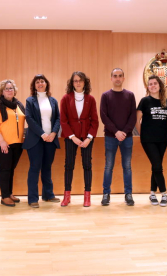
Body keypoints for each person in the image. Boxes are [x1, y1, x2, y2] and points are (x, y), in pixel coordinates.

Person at [60, 71, 99, 207]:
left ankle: (87, 196)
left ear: (85, 82)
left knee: (87, 165)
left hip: (87, 138)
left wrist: (89, 138)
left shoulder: (91, 99)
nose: (78, 83)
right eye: (75, 80)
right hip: (71, 138)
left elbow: (95, 121)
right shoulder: (65, 98)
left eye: (80, 80)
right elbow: (63, 121)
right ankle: (67, 196)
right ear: (72, 83)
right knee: (69, 165)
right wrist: (72, 137)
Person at [100, 68, 137, 206]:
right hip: (110, 136)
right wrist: (116, 132)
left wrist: (124, 132)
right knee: (108, 166)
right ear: (111, 78)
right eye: (115, 76)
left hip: (127, 137)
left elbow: (133, 116)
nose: (117, 78)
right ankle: (106, 194)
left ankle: (128, 194)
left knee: (127, 166)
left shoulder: (130, 95)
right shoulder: (105, 96)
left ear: (123, 78)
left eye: (120, 76)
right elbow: (104, 116)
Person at [23, 74, 61, 208]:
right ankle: (33, 198)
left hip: (51, 139)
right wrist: (42, 134)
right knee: (35, 167)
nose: (40, 84)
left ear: (46, 84)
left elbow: (57, 119)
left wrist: (53, 133)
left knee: (47, 167)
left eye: (42, 81)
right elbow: (29, 118)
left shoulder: (53, 100)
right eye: (37, 82)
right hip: (35, 139)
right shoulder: (30, 100)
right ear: (34, 86)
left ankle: (48, 195)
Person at [136, 75, 167, 207]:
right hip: (148, 140)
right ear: (148, 87)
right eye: (150, 84)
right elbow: (137, 120)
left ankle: (152, 193)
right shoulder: (145, 101)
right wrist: (143, 135)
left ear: (159, 85)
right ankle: (164, 193)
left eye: (155, 83)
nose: (152, 86)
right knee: (157, 166)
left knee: (156, 166)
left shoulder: (166, 102)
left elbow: (166, 120)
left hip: (162, 139)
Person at [0, 80, 25, 207]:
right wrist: (2, 142)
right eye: (6, 89)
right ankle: (4, 196)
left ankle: (9, 193)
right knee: (5, 169)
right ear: (2, 92)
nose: (9, 90)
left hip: (17, 143)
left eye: (11, 88)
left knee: (11, 170)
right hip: (1, 144)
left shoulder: (18, 104)